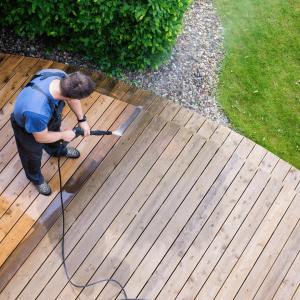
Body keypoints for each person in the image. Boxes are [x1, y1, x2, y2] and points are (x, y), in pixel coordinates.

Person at [11, 69, 96, 196]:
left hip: (49, 118)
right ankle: (36, 178)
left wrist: (81, 120)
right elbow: (41, 137)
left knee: (55, 135)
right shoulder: (37, 111)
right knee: (32, 157)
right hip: (28, 129)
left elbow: (72, 99)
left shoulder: (61, 77)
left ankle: (57, 151)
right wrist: (63, 135)